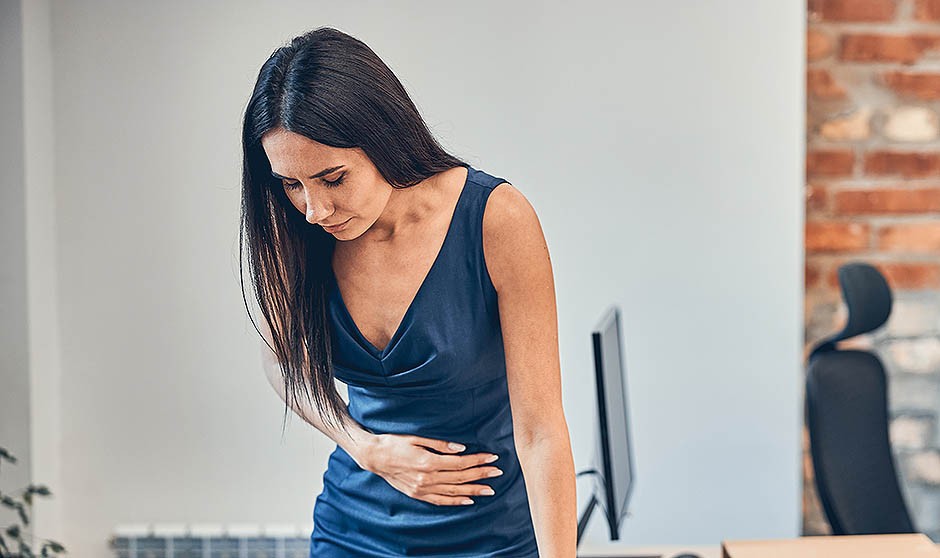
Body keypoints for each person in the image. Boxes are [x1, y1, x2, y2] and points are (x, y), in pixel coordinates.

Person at [239, 26, 576, 557]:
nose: (314, 209)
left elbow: (540, 431)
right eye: (291, 184)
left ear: (382, 137)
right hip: (352, 530)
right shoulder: (295, 232)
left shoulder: (496, 220)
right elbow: (280, 362)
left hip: (491, 535)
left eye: (333, 178)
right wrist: (366, 448)